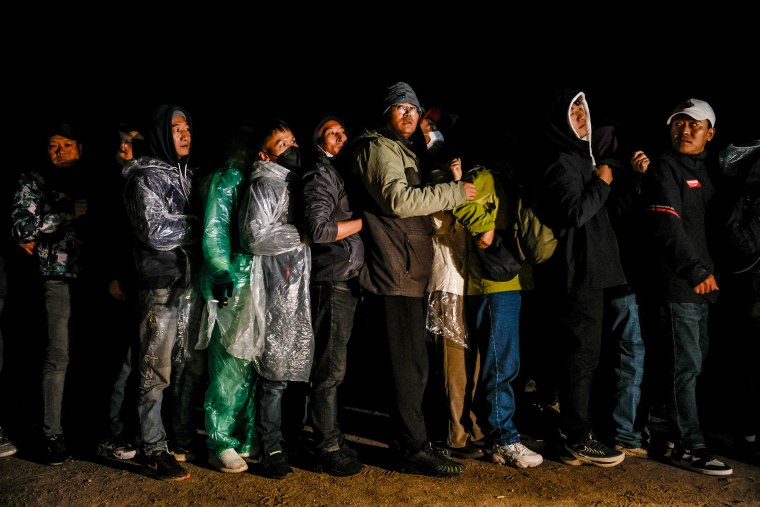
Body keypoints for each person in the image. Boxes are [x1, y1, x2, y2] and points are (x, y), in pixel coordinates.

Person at [350, 81, 476, 477]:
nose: (407, 113)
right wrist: (454, 193)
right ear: (385, 113)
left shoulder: (402, 150)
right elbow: (398, 201)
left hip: (408, 271)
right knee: (406, 367)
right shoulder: (376, 148)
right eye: (399, 107)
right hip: (392, 271)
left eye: (412, 108)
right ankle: (410, 449)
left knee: (415, 366)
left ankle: (415, 442)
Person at [640, 98, 732, 476]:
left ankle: (655, 429)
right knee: (684, 365)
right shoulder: (666, 167)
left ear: (710, 133)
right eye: (679, 123)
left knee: (691, 365)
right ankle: (689, 446)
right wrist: (694, 269)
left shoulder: (707, 172)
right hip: (677, 284)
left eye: (695, 124)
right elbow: (665, 225)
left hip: (700, 288)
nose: (685, 129)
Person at [540, 89, 626, 468]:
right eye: (573, 109)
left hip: (593, 271)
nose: (580, 114)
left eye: (583, 108)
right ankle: (578, 436)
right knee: (581, 356)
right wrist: (602, 182)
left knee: (581, 354)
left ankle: (566, 433)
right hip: (579, 272)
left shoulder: (581, 158)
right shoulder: (561, 161)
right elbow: (574, 213)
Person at [123, 105, 205, 481]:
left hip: (185, 282)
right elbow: (155, 230)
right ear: (159, 134)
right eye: (176, 128)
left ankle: (179, 438)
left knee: (185, 365)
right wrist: (203, 225)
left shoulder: (184, 175)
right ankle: (153, 448)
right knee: (155, 368)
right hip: (159, 283)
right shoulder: (144, 177)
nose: (185, 133)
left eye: (187, 126)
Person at [451, 155, 543, 469]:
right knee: (501, 365)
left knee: (505, 365)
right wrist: (485, 229)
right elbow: (461, 202)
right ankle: (503, 439)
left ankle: (501, 432)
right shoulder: (485, 176)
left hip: (510, 281)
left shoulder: (510, 180)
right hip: (493, 284)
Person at [10, 121, 91, 465]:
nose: (59, 151)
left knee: (91, 353)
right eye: (52, 145)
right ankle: (51, 433)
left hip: (95, 278)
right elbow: (21, 227)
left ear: (80, 147)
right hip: (56, 276)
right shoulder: (34, 180)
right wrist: (66, 214)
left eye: (66, 144)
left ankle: (92, 428)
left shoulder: (92, 178)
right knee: (57, 354)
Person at [238, 119, 314, 480]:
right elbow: (255, 237)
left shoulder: (291, 183)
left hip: (294, 289)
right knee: (272, 374)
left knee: (291, 368)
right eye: (282, 144)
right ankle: (270, 448)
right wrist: (308, 233)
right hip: (274, 290)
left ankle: (289, 439)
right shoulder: (266, 184)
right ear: (265, 154)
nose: (292, 147)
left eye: (293, 139)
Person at [301, 115, 364, 476]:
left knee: (333, 366)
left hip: (343, 280)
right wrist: (362, 223)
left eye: (344, 130)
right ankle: (325, 445)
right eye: (331, 132)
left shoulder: (338, 172)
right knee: (328, 368)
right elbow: (319, 228)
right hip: (331, 281)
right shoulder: (320, 174)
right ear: (318, 140)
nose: (341, 135)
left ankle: (330, 435)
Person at [198, 125, 258, 474]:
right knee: (228, 365)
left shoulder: (247, 178)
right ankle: (219, 441)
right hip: (233, 282)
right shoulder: (229, 179)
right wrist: (222, 273)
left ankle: (243, 436)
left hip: (251, 280)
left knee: (246, 361)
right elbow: (214, 229)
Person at [95, 124, 145, 461]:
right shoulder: (110, 180)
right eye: (127, 142)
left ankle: (131, 431)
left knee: (138, 361)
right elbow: (107, 233)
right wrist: (112, 276)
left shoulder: (139, 176)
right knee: (119, 362)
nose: (131, 148)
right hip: (121, 281)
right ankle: (109, 434)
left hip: (141, 278)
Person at [715, 138, 760, 463]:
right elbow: (738, 241)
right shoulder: (745, 194)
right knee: (749, 367)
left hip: (750, 288)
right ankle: (746, 436)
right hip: (750, 292)